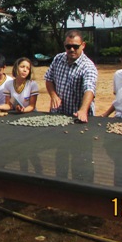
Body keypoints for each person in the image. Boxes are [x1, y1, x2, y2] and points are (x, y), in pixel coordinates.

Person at [44, 30, 98, 181]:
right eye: (68, 46)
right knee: (60, 154)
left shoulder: (88, 66)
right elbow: (48, 79)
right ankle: (61, 188)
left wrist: (83, 110)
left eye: (75, 46)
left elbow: (89, 89)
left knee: (81, 156)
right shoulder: (58, 59)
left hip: (79, 119)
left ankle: (84, 190)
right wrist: (53, 95)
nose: (71, 50)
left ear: (83, 45)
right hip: (60, 116)